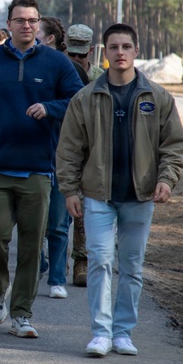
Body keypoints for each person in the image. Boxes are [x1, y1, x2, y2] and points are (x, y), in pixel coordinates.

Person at [57, 23, 183, 357]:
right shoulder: (85, 98)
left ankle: (123, 332)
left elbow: (173, 145)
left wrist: (166, 178)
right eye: (113, 47)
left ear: (136, 51)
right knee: (100, 260)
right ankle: (100, 333)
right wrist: (70, 190)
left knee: (131, 266)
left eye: (126, 46)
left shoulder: (157, 97)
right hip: (98, 196)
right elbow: (69, 149)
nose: (120, 53)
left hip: (140, 196)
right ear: (104, 53)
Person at [0, 0, 84, 338]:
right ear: (9, 24)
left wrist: (50, 107)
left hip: (37, 169)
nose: (27, 26)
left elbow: (78, 101)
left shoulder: (56, 64)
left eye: (33, 20)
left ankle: (22, 313)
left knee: (33, 244)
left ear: (39, 25)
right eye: (20, 20)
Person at [34, 16, 76, 299]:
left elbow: (79, 101)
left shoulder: (65, 67)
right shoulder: (29, 63)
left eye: (37, 32)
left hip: (63, 155)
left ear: (49, 39)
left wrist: (49, 108)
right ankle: (38, 266)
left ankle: (57, 278)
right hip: (33, 153)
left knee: (59, 223)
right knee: (34, 222)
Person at [63, 23, 101, 287]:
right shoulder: (59, 71)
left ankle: (81, 261)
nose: (76, 60)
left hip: (91, 149)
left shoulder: (101, 77)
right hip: (63, 146)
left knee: (83, 208)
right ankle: (53, 258)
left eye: (81, 55)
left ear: (90, 50)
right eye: (72, 55)